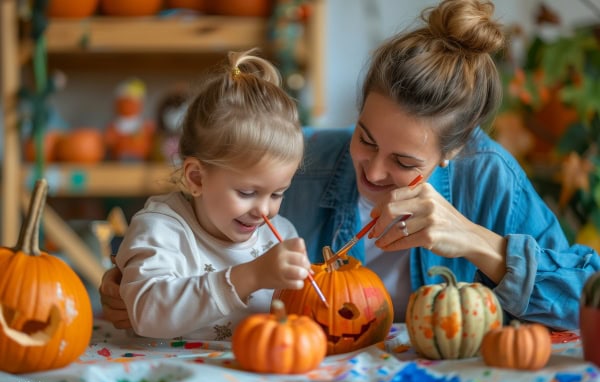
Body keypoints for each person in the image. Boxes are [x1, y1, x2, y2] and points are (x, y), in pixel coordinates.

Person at [100, 0, 599, 332]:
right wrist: (126, 285)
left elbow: (587, 300)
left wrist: (475, 241)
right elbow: (176, 242)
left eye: (404, 162)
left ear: (453, 152)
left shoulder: (488, 177)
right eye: (366, 138)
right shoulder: (292, 162)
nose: (375, 172)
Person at [108, 48, 312, 340]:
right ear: (196, 178)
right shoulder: (160, 229)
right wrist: (250, 276)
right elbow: (146, 314)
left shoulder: (281, 235)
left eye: (278, 193)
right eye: (247, 192)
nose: (264, 211)